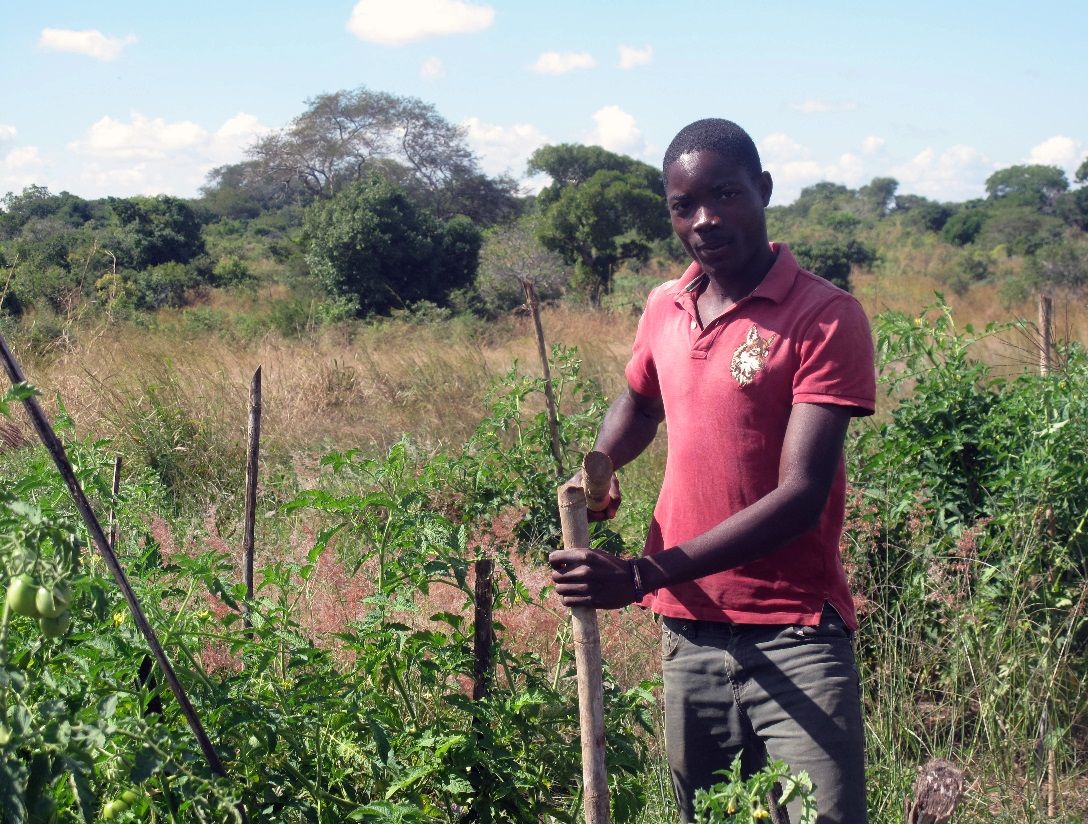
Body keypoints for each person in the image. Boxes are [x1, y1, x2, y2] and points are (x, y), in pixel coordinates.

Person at [549, 118, 875, 824]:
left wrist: (642, 574)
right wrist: (598, 479)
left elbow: (800, 496)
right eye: (683, 205)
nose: (704, 219)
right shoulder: (666, 306)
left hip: (795, 634)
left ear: (762, 190)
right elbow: (638, 402)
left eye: (724, 195)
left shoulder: (824, 317)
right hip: (689, 633)